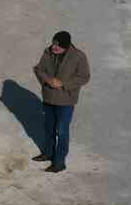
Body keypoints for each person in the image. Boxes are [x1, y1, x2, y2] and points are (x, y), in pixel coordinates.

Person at [32, 30, 91, 174]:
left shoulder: (78, 56)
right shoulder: (48, 52)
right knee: (48, 128)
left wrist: (63, 84)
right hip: (48, 98)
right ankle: (48, 153)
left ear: (66, 46)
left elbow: (84, 77)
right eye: (53, 44)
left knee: (62, 132)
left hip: (65, 101)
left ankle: (59, 162)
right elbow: (39, 69)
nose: (54, 48)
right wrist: (47, 81)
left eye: (57, 46)